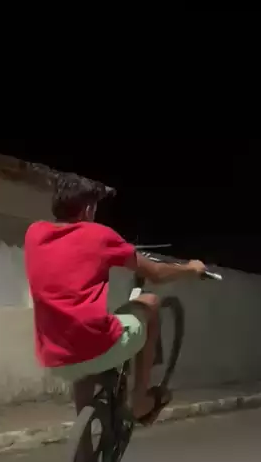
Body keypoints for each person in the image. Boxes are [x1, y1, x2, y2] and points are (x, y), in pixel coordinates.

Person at [25, 172, 206, 425]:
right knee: (151, 303)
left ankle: (83, 441)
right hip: (96, 346)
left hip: (55, 359)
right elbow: (156, 273)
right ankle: (140, 399)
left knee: (82, 350)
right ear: (88, 209)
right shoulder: (99, 236)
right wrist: (191, 269)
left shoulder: (34, 233)